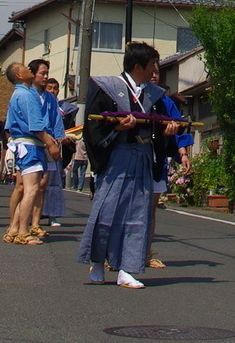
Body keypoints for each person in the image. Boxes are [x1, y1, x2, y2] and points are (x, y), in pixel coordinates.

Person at [77, 41, 180, 288]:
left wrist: (164, 134)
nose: (155, 70)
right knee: (107, 211)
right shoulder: (108, 88)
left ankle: (127, 268)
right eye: (152, 65)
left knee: (138, 214)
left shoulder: (153, 94)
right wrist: (116, 126)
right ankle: (99, 262)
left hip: (142, 156)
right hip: (117, 157)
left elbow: (156, 127)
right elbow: (93, 127)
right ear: (138, 66)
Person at [4, 62, 61, 245]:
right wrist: (51, 144)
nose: (28, 69)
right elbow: (36, 125)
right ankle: (23, 231)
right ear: (19, 75)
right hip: (30, 146)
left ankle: (14, 228)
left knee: (27, 188)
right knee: (32, 189)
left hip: (24, 145)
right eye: (25, 68)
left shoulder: (19, 94)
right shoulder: (27, 95)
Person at [146, 70, 192, 269]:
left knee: (150, 209)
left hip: (157, 160)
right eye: (150, 69)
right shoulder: (132, 97)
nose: (154, 74)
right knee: (129, 208)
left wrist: (182, 153)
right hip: (135, 157)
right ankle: (115, 254)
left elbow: (178, 127)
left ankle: (146, 252)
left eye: (157, 71)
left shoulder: (166, 102)